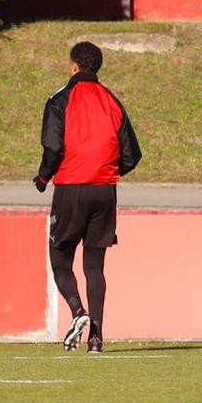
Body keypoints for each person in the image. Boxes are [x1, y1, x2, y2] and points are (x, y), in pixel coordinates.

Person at [34, 39, 141, 354]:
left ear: (73, 66)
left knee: (60, 258)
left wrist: (43, 177)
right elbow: (132, 155)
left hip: (71, 189)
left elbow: (53, 146)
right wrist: (107, 171)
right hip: (104, 191)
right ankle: (96, 338)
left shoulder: (60, 99)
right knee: (95, 266)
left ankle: (78, 312)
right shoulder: (112, 101)